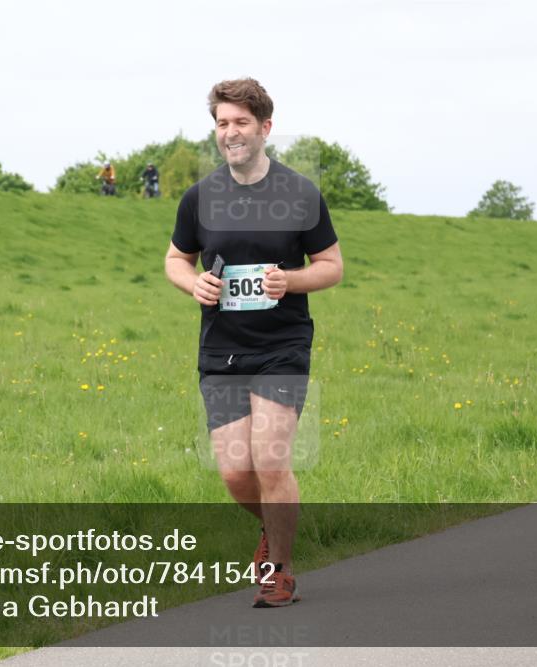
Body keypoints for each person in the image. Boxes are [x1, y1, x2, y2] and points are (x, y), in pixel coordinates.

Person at [164, 78, 342, 607]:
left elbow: (331, 267)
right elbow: (176, 259)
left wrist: (291, 280)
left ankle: (280, 571)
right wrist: (191, 282)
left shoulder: (300, 194)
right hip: (222, 350)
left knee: (269, 460)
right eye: (222, 123)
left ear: (265, 127)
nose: (230, 132)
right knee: (236, 473)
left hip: (282, 345)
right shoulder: (201, 197)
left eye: (241, 122)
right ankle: (273, 526)